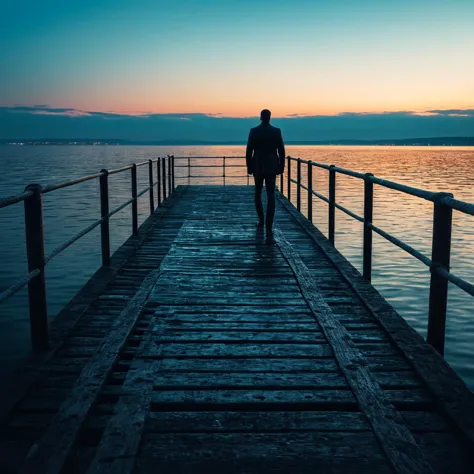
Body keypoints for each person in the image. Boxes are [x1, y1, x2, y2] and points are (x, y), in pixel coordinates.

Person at [246, 109, 286, 244]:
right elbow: (281, 150)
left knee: (257, 192)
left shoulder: (254, 131)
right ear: (270, 117)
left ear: (260, 117)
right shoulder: (276, 131)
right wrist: (281, 166)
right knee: (270, 194)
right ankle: (268, 227)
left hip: (257, 165)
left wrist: (249, 166)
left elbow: (249, 150)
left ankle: (261, 220)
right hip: (272, 165)